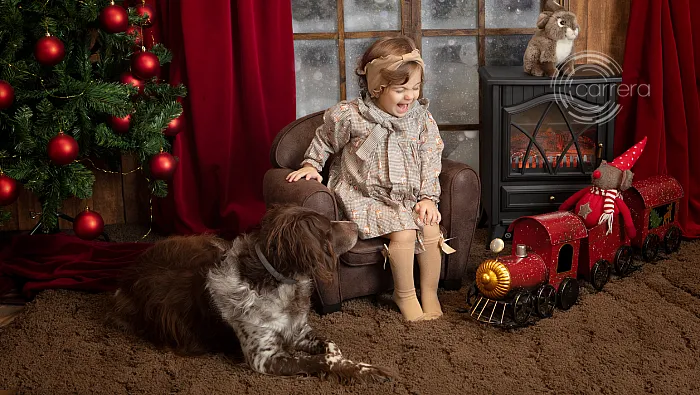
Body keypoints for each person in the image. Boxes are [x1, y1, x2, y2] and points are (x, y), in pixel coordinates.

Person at [286, 36, 448, 322]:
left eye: (415, 87)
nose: (409, 96)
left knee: (431, 229)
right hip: (363, 195)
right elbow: (324, 140)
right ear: (377, 88)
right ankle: (405, 295)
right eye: (400, 90)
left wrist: (427, 198)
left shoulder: (421, 119)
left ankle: (429, 292)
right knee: (405, 231)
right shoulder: (352, 116)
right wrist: (312, 164)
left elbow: (431, 160)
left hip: (405, 197)